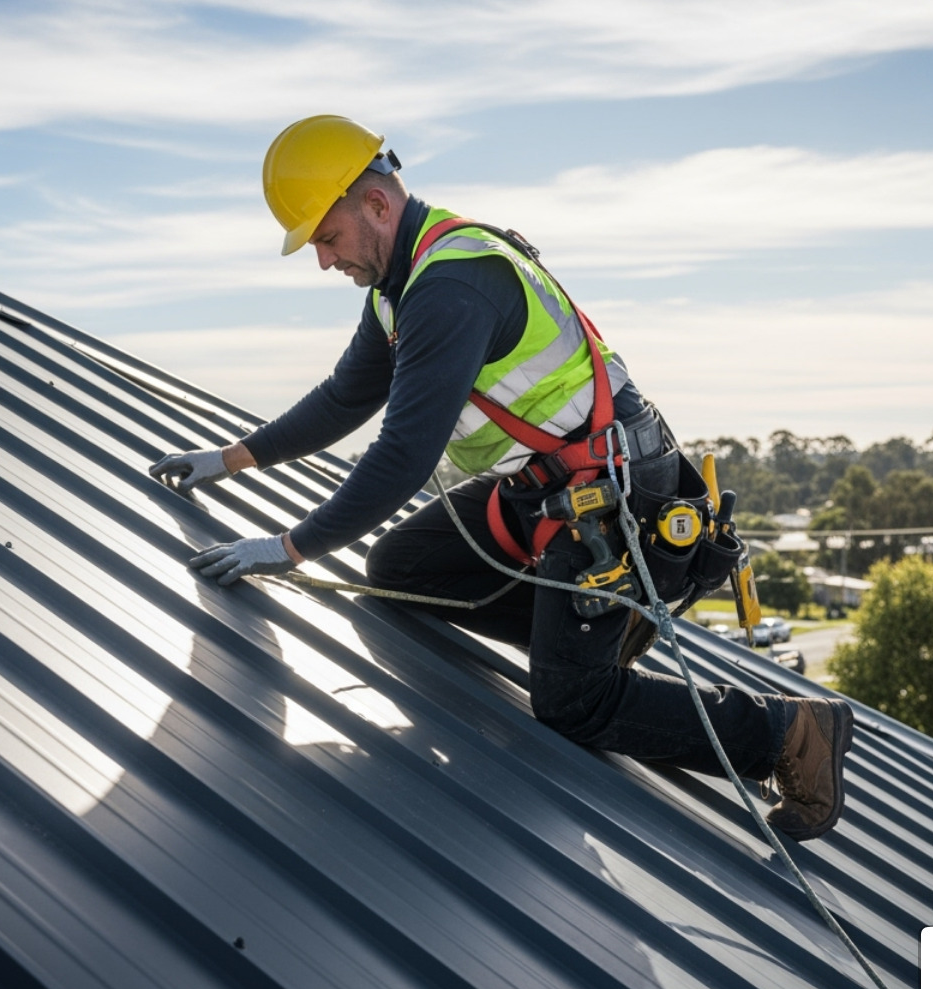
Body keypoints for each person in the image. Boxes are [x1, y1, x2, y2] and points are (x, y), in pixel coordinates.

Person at [151, 115, 852, 841]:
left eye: (326, 239)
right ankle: (595, 629)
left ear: (378, 206)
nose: (324, 261)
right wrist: (232, 458)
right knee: (399, 568)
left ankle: (788, 732)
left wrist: (289, 548)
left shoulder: (453, 286)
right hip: (540, 491)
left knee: (572, 704)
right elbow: (346, 396)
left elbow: (401, 457)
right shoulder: (402, 284)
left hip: (614, 506)